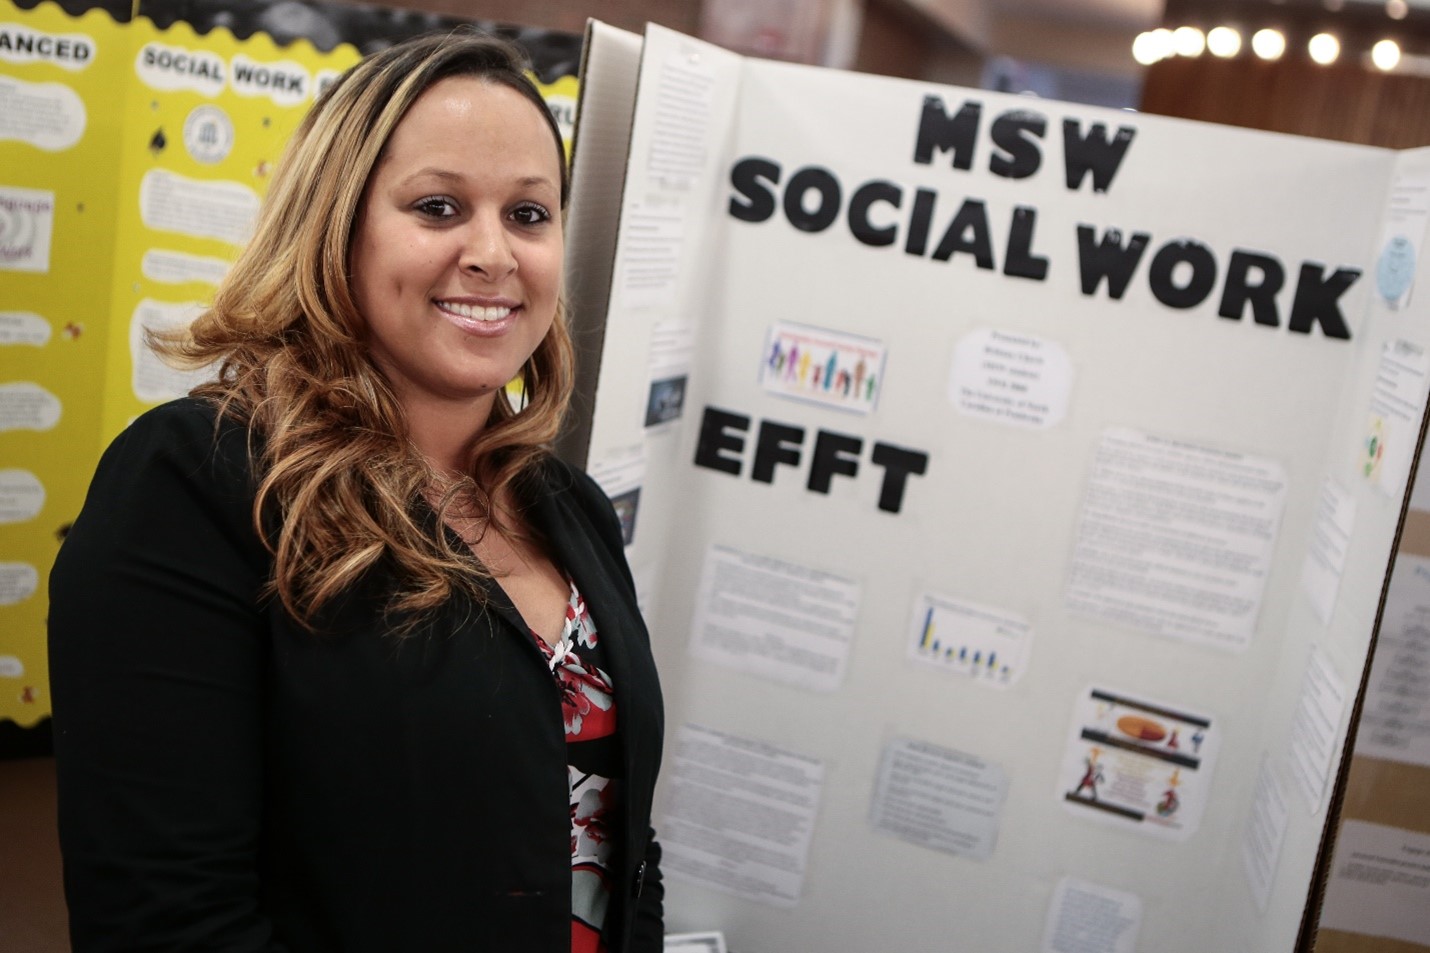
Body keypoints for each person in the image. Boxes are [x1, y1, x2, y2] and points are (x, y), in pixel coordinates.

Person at [47, 29, 663, 953]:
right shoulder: (197, 483)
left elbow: (624, 843)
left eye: (529, 215)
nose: (494, 253)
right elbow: (167, 919)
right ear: (336, 225)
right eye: (440, 205)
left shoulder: (563, 502)